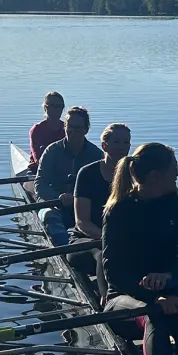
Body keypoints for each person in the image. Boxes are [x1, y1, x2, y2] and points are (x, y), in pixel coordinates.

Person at [101, 142, 178, 355]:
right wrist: (152, 296)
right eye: (174, 168)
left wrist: (169, 276)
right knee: (155, 312)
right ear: (155, 176)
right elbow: (113, 272)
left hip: (169, 289)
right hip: (124, 296)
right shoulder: (118, 211)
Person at [66, 122, 131, 301]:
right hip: (86, 240)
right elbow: (82, 222)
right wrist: (109, 239)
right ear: (104, 146)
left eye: (126, 142)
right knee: (103, 253)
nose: (122, 147)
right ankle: (106, 301)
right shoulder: (87, 174)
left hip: (120, 240)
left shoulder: (133, 175)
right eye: (117, 142)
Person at [34, 106, 102, 246]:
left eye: (77, 127)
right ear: (65, 127)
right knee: (49, 215)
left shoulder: (96, 154)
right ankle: (64, 250)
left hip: (83, 207)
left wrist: (78, 199)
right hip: (54, 205)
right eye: (69, 126)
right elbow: (40, 185)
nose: (72, 131)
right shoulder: (52, 151)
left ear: (86, 130)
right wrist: (58, 197)